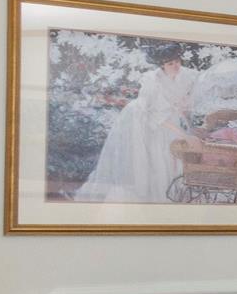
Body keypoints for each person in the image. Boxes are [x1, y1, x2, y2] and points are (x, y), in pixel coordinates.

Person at [72, 49, 194, 203]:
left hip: (169, 119)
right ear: (162, 65)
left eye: (177, 61)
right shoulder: (152, 80)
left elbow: (179, 104)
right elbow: (154, 115)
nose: (176, 66)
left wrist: (186, 124)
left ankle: (174, 195)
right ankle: (157, 197)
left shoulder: (184, 75)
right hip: (146, 121)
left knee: (174, 153)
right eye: (170, 63)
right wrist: (182, 133)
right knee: (155, 155)